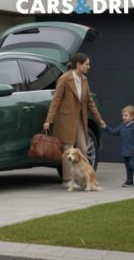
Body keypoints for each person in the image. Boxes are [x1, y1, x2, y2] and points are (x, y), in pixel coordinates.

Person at [43, 53, 106, 189]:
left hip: (79, 120)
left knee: (82, 148)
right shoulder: (65, 79)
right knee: (68, 149)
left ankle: (81, 178)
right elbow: (56, 101)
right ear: (78, 64)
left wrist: (99, 119)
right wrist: (49, 120)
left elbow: (90, 101)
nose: (89, 67)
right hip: (65, 120)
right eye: (87, 64)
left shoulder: (84, 80)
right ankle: (68, 180)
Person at [103, 105, 134, 187]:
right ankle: (129, 181)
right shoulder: (122, 126)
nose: (124, 117)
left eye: (126, 116)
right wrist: (105, 127)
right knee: (128, 167)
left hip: (133, 151)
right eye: (123, 116)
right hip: (125, 151)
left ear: (132, 116)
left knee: (132, 164)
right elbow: (114, 132)